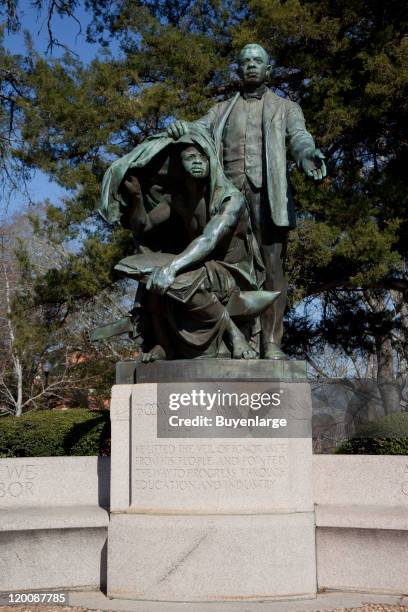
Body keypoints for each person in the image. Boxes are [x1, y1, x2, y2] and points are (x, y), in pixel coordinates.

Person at [167, 43, 326, 359]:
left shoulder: (285, 108)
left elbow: (299, 136)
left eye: (258, 61)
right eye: (246, 62)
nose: (251, 65)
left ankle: (271, 343)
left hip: (268, 199)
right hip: (228, 201)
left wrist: (307, 154)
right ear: (238, 70)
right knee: (229, 269)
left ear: (269, 70)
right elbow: (197, 129)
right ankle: (231, 342)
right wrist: (181, 127)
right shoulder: (221, 110)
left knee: (272, 271)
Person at [99, 125, 279, 361]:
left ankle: (233, 333)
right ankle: (163, 344)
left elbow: (209, 239)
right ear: (179, 164)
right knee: (147, 274)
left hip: (232, 272)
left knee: (179, 276)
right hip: (199, 264)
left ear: (210, 159)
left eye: (201, 156)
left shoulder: (230, 198)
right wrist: (136, 198)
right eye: (189, 157)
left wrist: (172, 267)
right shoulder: (179, 198)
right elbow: (143, 226)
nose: (196, 162)